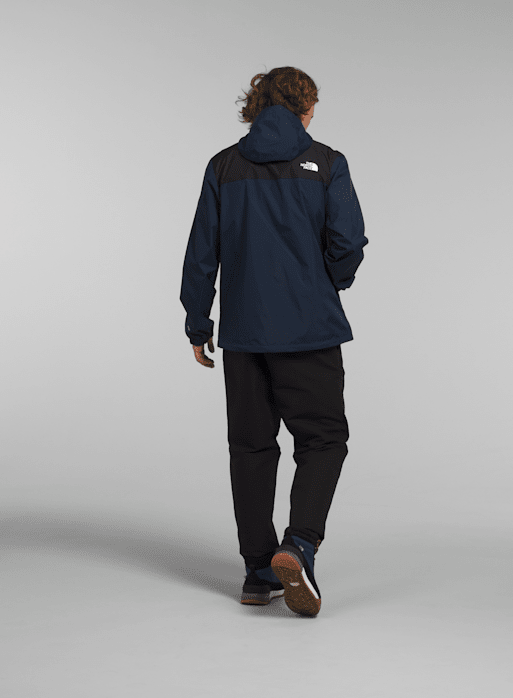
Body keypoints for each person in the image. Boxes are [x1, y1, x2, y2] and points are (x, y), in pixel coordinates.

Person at [179, 66, 368, 616]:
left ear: (256, 107)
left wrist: (198, 322)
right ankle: (299, 545)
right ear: (305, 108)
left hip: (244, 336)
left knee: (251, 447)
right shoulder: (327, 162)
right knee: (324, 440)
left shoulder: (223, 166)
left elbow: (201, 251)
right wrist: (327, 281)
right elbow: (348, 241)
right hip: (310, 330)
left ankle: (258, 570)